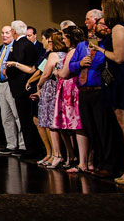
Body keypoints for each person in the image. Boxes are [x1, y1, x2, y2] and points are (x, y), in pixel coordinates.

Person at [93, 0, 124, 185]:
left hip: (121, 78)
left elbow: (119, 57)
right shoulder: (117, 28)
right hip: (116, 78)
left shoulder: (119, 28)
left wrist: (100, 50)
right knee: (123, 123)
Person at [66, 10, 114, 178]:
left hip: (99, 90)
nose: (91, 34)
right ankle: (97, 161)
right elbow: (71, 66)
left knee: (103, 128)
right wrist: (79, 63)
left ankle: (108, 163)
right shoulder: (81, 46)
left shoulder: (106, 46)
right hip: (83, 91)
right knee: (90, 129)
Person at [6, 19, 41, 159]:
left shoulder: (20, 44)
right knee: (27, 118)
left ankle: (31, 148)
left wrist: (8, 71)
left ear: (13, 31)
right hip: (25, 85)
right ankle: (31, 147)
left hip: (21, 86)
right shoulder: (28, 43)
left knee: (25, 118)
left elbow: (19, 63)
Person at [55, 27, 85, 172]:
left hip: (71, 88)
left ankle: (82, 161)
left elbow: (65, 72)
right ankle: (75, 157)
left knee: (76, 124)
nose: (63, 40)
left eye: (65, 37)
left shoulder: (73, 51)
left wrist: (58, 72)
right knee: (69, 125)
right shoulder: (72, 51)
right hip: (67, 88)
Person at [33, 31, 64, 168]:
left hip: (51, 88)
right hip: (54, 87)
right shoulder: (53, 54)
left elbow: (45, 73)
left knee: (50, 122)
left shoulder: (54, 54)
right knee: (46, 121)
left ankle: (56, 154)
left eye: (49, 41)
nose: (47, 43)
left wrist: (38, 84)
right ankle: (53, 154)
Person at [0, 25, 24, 156]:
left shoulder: (15, 47)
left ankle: (22, 145)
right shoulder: (3, 47)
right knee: (5, 116)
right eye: (2, 33)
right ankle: (11, 144)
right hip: (1, 84)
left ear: (13, 33)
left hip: (11, 83)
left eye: (7, 32)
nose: (4, 35)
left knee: (17, 114)